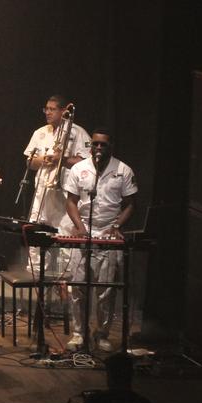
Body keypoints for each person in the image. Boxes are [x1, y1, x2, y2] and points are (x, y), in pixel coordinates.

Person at [63, 129, 137, 353]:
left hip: (108, 234)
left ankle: (101, 334)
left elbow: (131, 203)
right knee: (77, 287)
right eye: (94, 144)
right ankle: (79, 333)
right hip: (83, 232)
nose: (97, 148)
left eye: (102, 145)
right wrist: (79, 226)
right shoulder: (79, 168)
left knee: (105, 290)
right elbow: (71, 201)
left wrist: (116, 226)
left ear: (110, 146)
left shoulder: (123, 170)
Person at [23, 95, 90, 275]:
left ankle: (65, 281)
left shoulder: (77, 132)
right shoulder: (40, 132)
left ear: (63, 111)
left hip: (65, 193)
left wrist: (62, 159)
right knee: (36, 234)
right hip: (42, 190)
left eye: (52, 109)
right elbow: (29, 162)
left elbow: (86, 162)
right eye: (46, 109)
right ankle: (35, 276)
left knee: (65, 235)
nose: (48, 113)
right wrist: (45, 159)